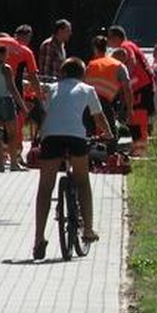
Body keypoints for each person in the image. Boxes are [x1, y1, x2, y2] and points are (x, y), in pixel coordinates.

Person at [32, 57, 111, 260]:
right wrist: (109, 134)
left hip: (51, 138)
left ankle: (38, 239)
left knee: (45, 187)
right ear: (82, 74)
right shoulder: (87, 89)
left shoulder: (51, 88)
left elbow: (43, 111)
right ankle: (88, 230)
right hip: (76, 137)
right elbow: (99, 118)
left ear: (63, 73)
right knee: (83, 182)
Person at [0, 28, 41, 166]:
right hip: (8, 94)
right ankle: (15, 161)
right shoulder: (26, 52)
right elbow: (32, 77)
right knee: (13, 129)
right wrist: (39, 96)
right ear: (27, 38)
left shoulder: (1, 41)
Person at [108, 26, 155, 153]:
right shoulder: (131, 45)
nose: (108, 42)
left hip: (140, 87)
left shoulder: (125, 46)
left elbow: (132, 61)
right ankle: (138, 148)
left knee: (138, 119)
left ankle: (141, 150)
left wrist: (124, 80)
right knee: (134, 119)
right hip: (142, 87)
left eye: (109, 38)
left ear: (116, 37)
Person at [85, 36, 134, 137]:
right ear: (107, 48)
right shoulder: (119, 66)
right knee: (110, 134)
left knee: (88, 133)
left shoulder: (91, 65)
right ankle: (111, 151)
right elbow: (127, 90)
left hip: (87, 101)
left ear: (94, 49)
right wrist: (129, 110)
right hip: (104, 102)